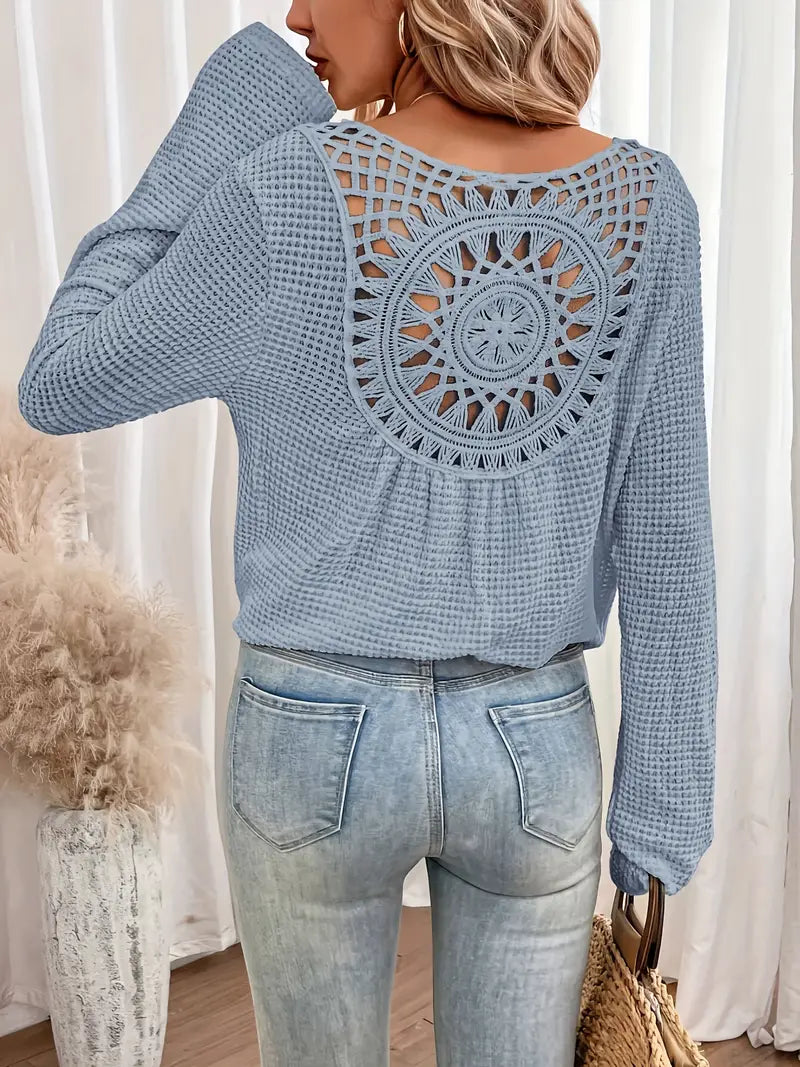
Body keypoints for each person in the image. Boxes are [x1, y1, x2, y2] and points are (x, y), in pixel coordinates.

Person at [16, 1, 718, 1063]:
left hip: (311, 735)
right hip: (531, 742)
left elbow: (64, 376)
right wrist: (661, 814)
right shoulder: (647, 204)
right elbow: (666, 531)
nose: (296, 14)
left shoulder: (286, 191)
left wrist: (226, 118)